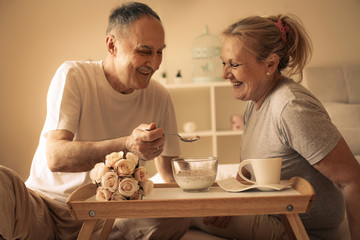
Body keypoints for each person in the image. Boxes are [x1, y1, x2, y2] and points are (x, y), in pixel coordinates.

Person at [0, 2, 190, 240]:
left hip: (106, 219)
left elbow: (170, 174)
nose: (155, 63)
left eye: (159, 51)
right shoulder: (74, 76)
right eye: (144, 51)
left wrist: (209, 201)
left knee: (179, 216)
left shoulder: (159, 95)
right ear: (112, 45)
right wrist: (127, 144)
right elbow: (55, 157)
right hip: (44, 207)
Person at [191, 14, 360, 240]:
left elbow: (352, 179)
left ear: (270, 64)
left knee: (180, 212)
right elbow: (248, 176)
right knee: (189, 204)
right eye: (224, 62)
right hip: (270, 214)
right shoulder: (256, 103)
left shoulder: (291, 106)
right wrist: (229, 205)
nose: (224, 74)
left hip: (299, 229)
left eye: (234, 64)